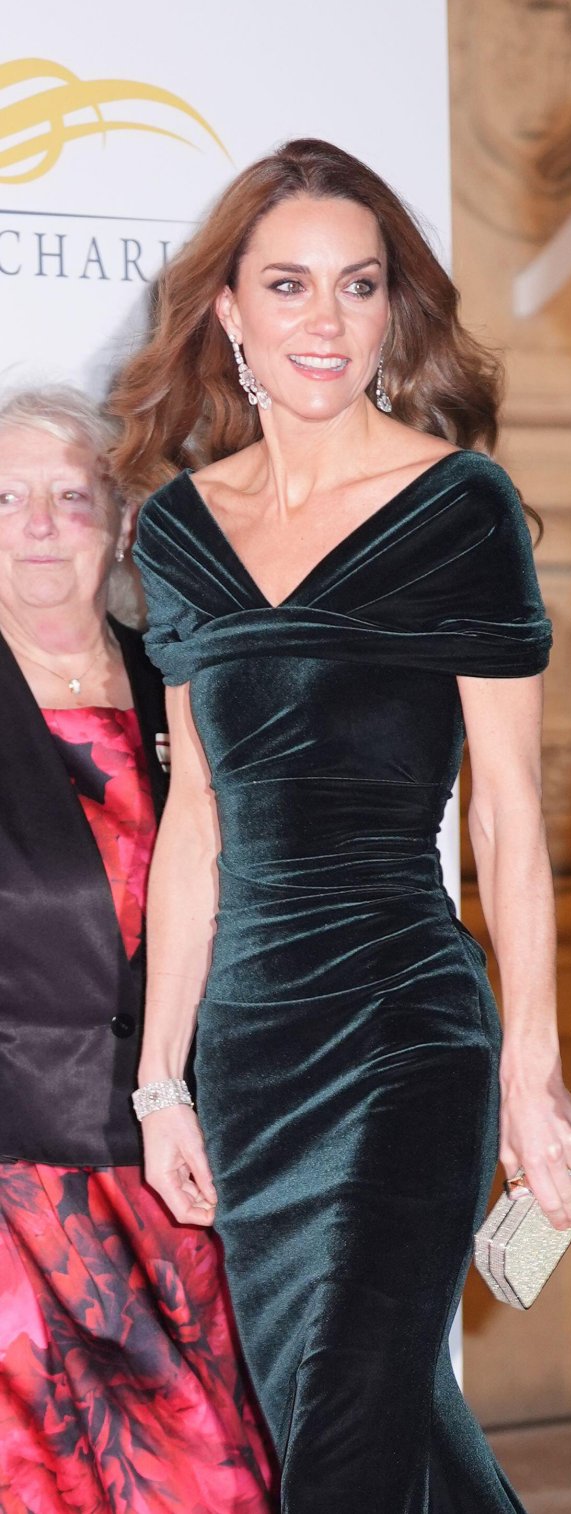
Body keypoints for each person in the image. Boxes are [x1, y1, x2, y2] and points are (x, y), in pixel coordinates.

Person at [108, 138, 571, 1513]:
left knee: (346, 1440)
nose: (326, 319)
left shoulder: (459, 507)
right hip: (251, 1052)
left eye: (359, 284)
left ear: (391, 310)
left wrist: (532, 1069)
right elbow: (196, 821)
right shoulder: (181, 531)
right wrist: (160, 1079)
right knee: (390, 1431)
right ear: (229, 311)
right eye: (289, 284)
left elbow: (508, 816)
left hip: (403, 1029)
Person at [0, 387, 273, 1513]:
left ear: (120, 527)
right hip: (20, 1189)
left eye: (71, 498)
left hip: (192, 1167)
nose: (38, 524)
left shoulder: (188, 687)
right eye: (6, 498)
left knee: (221, 1480)